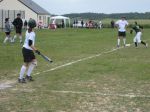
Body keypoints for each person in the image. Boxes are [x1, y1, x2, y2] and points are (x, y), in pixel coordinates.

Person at [18, 18, 40, 83]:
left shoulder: (27, 30)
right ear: (34, 26)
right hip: (27, 50)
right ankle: (20, 78)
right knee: (26, 64)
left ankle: (28, 75)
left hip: (27, 49)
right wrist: (36, 50)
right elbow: (30, 43)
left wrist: (34, 50)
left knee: (34, 62)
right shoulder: (32, 33)